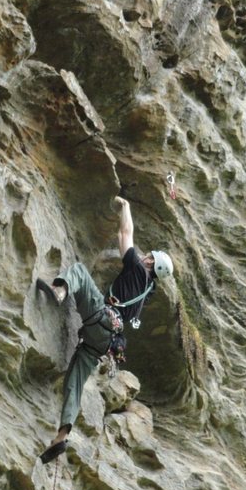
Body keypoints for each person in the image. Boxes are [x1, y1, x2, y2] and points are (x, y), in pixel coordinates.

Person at [37, 196, 174, 464]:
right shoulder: (147, 293)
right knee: (74, 382)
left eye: (149, 256)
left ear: (150, 263)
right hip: (104, 343)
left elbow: (125, 233)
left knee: (77, 270)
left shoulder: (137, 268)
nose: (145, 255)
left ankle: (60, 291)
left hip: (101, 318)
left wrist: (127, 208)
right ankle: (61, 436)